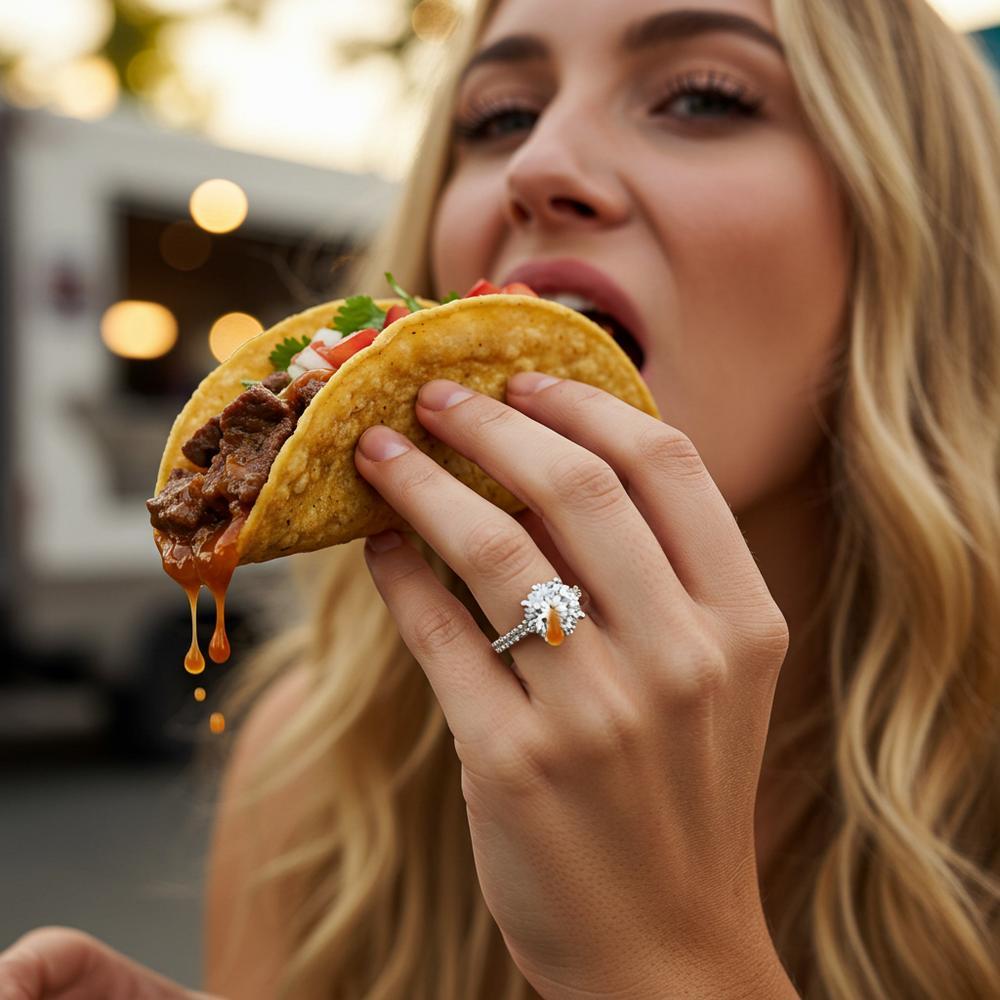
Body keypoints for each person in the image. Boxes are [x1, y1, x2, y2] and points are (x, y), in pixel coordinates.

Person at [3, 0, 999, 997]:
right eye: (497, 117)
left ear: (905, 224)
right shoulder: (320, 763)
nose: (535, 164)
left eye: (704, 97)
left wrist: (665, 957)